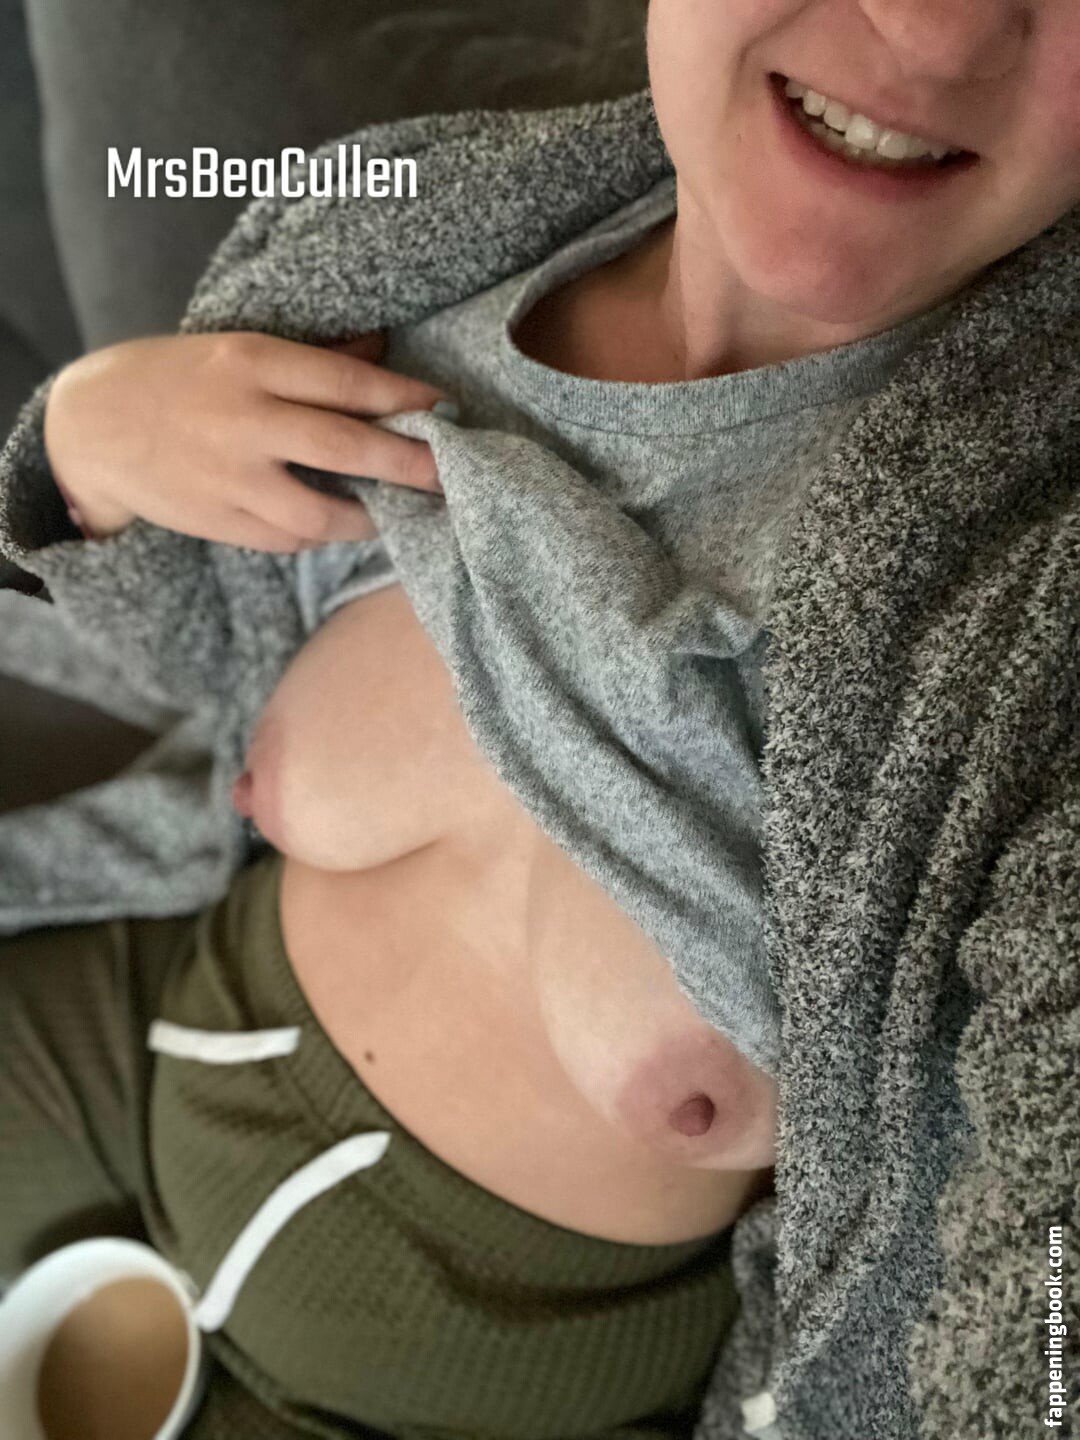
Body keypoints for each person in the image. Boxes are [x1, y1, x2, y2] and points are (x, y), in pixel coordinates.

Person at [1, 4, 1078, 1440]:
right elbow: (205, 645)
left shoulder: (1034, 629)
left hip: (466, 1390)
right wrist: (83, 439)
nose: (938, 32)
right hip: (136, 1028)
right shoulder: (399, 225)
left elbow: (1042, 1288)